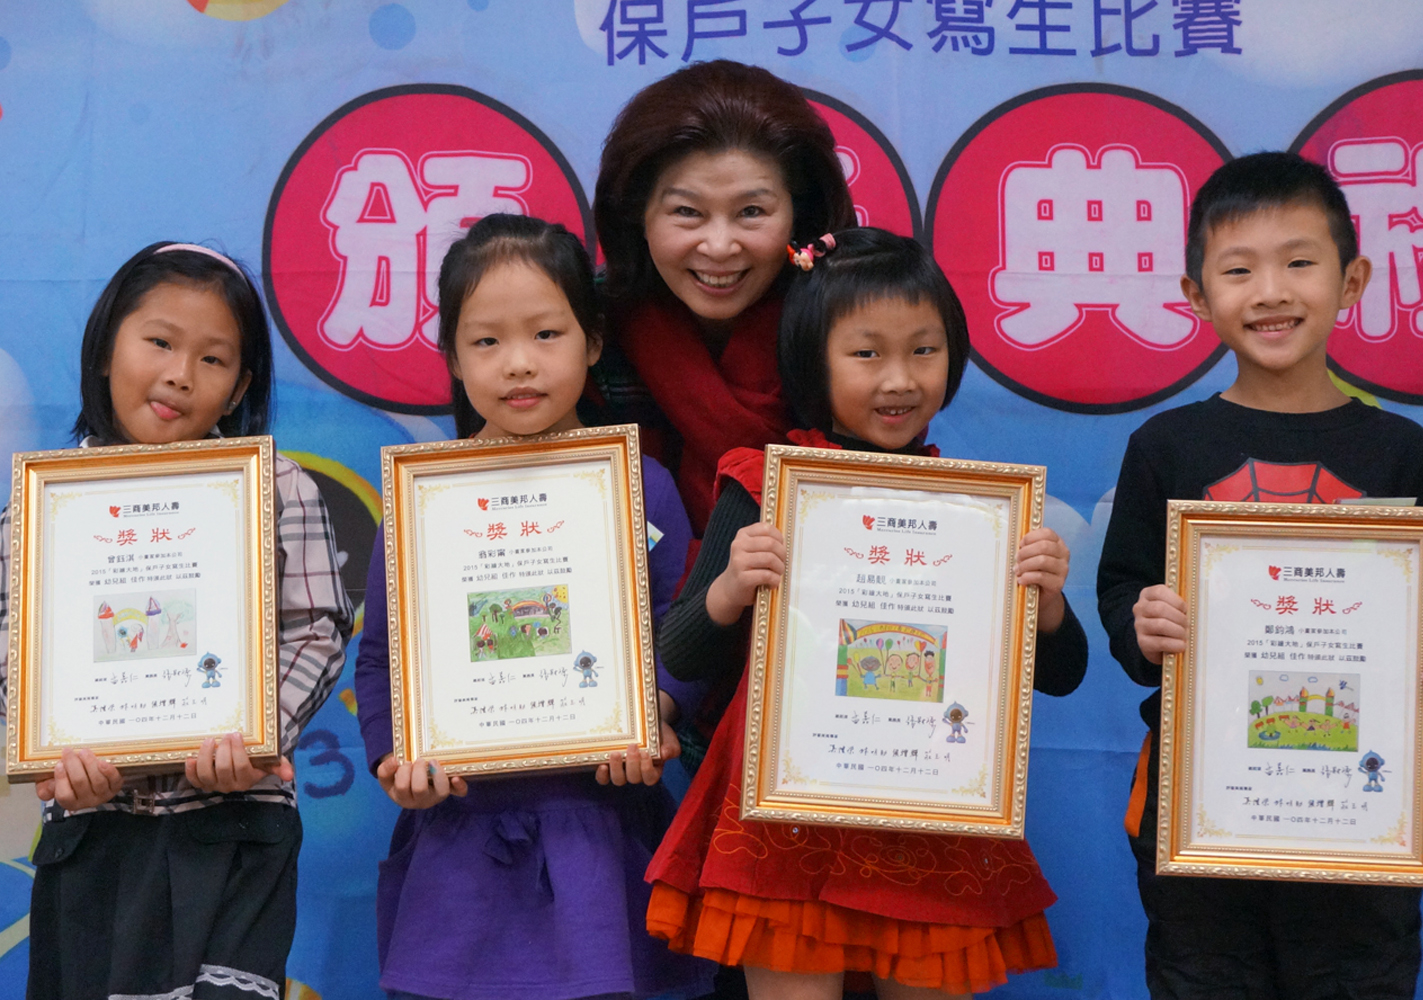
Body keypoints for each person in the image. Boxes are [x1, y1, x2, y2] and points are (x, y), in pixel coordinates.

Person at [645, 228, 1090, 998]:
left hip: (927, 812)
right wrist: (732, 588)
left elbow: (1062, 674)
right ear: (811, 359)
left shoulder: (982, 509)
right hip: (783, 817)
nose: (899, 379)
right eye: (866, 353)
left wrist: (1046, 602)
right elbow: (682, 653)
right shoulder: (763, 488)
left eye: (924, 350)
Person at [1095, 151, 1423, 1000]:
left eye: (1299, 262)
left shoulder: (1402, 450)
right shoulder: (1165, 446)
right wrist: (1141, 624)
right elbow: (1121, 589)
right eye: (1239, 270)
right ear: (1198, 296)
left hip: (1359, 815)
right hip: (1197, 806)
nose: (1270, 292)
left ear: (1352, 281)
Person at [353, 213, 714, 1000]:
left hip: (603, 826)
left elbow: (681, 627)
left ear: (592, 341)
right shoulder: (423, 498)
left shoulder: (643, 486)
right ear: (453, 357)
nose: (519, 363)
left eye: (547, 334)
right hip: (459, 835)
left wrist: (656, 711)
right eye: (486, 341)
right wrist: (393, 759)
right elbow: (381, 654)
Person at [0, 242, 354, 999]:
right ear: (106, 348)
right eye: (159, 342)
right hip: (92, 829)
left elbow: (318, 626)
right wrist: (51, 755)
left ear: (239, 388)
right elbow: (12, 648)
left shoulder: (278, 488)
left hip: (234, 825)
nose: (180, 374)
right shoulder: (41, 512)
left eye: (213, 359)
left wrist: (261, 729)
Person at [591, 58, 856, 537]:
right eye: (687, 211)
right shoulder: (583, 331)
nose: (718, 247)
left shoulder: (851, 323)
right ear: (636, 215)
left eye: (751, 211)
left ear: (799, 215)